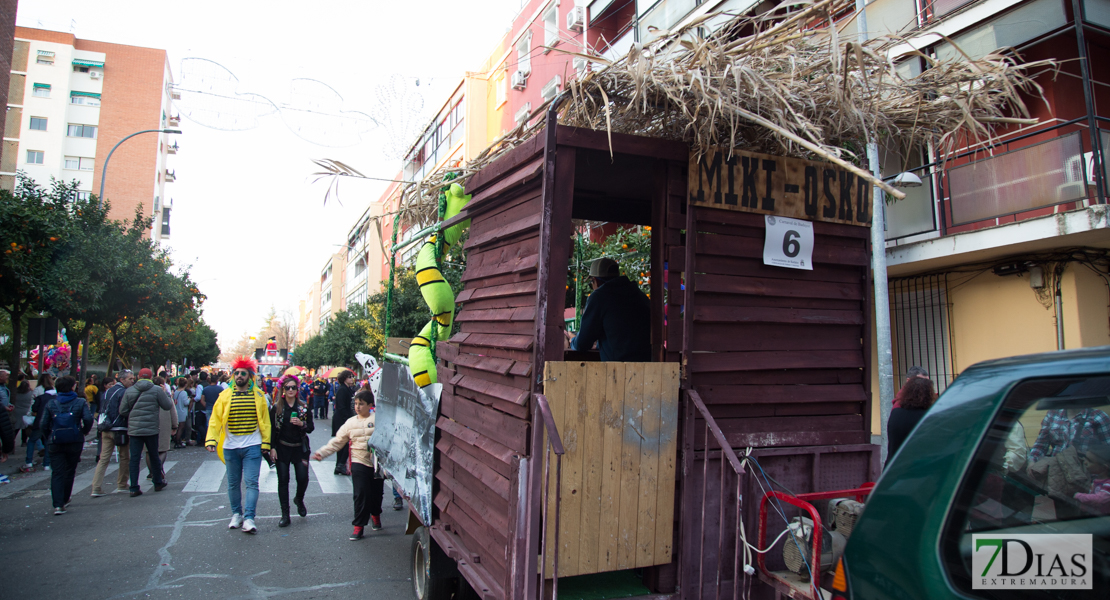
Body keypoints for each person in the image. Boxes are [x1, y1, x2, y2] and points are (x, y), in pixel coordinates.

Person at [206, 356, 271, 534]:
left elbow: (265, 422)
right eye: (237, 373)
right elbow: (215, 419)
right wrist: (211, 439)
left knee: (252, 483)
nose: (239, 376)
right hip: (230, 446)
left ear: (249, 376)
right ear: (233, 375)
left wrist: (266, 443)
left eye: (243, 373)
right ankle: (236, 514)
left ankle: (249, 517)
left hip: (253, 445)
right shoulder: (224, 395)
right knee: (233, 483)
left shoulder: (259, 396)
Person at [314, 389, 382, 540]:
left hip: (377, 464)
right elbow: (338, 441)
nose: (358, 407)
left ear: (370, 405)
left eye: (361, 404)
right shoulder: (350, 423)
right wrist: (322, 453)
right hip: (359, 461)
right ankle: (358, 527)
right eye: (356, 404)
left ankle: (376, 515)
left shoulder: (379, 419)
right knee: (360, 494)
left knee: (376, 494)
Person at [568, 257, 651, 362]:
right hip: (648, 366)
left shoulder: (599, 297)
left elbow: (582, 343)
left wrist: (573, 341)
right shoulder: (639, 295)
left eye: (591, 284)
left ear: (596, 281)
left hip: (619, 370)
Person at [40, 376, 94, 515]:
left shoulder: (51, 403)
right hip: (74, 440)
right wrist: (83, 432)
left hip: (55, 441)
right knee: (70, 470)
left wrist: (49, 437)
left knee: (57, 472)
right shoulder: (80, 402)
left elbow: (43, 424)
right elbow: (88, 419)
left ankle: (58, 505)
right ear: (72, 387)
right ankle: (65, 499)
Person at [119, 368, 173, 497]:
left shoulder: (130, 391)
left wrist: (133, 416)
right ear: (151, 377)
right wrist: (165, 394)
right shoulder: (156, 390)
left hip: (134, 429)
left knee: (135, 458)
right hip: (151, 428)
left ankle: (134, 487)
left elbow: (122, 410)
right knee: (154, 455)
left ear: (138, 376)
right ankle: (158, 482)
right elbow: (167, 406)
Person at [270, 374, 314, 527]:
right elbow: (271, 430)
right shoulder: (276, 408)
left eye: (293, 387)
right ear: (283, 389)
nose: (290, 390)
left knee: (303, 478)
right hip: (282, 448)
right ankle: (285, 514)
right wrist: (272, 448)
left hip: (299, 449)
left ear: (297, 389)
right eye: (287, 387)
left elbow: (311, 427)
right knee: (283, 480)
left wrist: (302, 424)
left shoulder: (303, 407)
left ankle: (299, 499)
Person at [91, 372, 133, 497]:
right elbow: (124, 410)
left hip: (106, 427)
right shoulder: (123, 392)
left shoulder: (107, 392)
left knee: (104, 458)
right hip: (119, 428)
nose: (132, 381)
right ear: (121, 379)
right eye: (130, 379)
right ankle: (122, 484)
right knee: (124, 457)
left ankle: (96, 487)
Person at [1028, 405, 1110, 464]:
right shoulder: (1052, 414)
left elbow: (1108, 449)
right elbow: (1041, 444)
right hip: (1056, 473)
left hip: (1087, 475)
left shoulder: (1098, 417)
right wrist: (1032, 461)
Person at [886, 376, 935, 461]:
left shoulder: (896, 413)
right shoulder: (928, 417)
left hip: (893, 465)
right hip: (917, 467)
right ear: (929, 394)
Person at [21, 374, 55, 472]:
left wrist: (30, 414)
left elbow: (33, 406)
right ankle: (46, 464)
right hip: (50, 421)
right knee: (47, 442)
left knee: (32, 440)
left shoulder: (38, 391)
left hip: (39, 419)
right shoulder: (55, 394)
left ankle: (29, 462)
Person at [148, 376, 178, 480]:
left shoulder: (147, 394)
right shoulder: (165, 395)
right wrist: (175, 425)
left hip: (150, 423)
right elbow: (172, 410)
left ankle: (152, 471)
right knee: (163, 448)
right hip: (164, 423)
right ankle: (158, 469)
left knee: (149, 450)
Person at [331, 370, 355, 475]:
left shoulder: (348, 389)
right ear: (345, 378)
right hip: (341, 420)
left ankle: (339, 465)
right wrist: (348, 419)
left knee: (344, 443)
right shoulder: (342, 390)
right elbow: (341, 407)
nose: (352, 379)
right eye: (350, 377)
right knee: (344, 443)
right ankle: (340, 464)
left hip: (344, 419)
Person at [1075, 443, 1110, 514]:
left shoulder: (1108, 484)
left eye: (1089, 461)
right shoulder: (1097, 478)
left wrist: (1078, 496)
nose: (1085, 462)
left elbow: (1099, 499)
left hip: (1101, 520)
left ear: (1104, 467)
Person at [12, 373, 34, 448]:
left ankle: (11, 441)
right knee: (25, 427)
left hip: (17, 411)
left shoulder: (16, 393)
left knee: (16, 427)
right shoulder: (30, 393)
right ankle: (24, 442)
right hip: (26, 411)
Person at [173, 377, 191, 448]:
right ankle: (177, 441)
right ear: (185, 384)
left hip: (177, 410)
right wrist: (188, 399)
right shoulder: (184, 393)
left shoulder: (176, 391)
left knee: (178, 427)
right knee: (181, 427)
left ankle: (178, 441)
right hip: (182, 411)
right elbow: (186, 403)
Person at [0, 369, 14, 461]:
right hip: (1, 413)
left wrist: (9, 405)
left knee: (6, 435)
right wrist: (4, 407)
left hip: (3, 414)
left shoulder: (4, 387)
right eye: (6, 376)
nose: (7, 378)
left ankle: (4, 454)